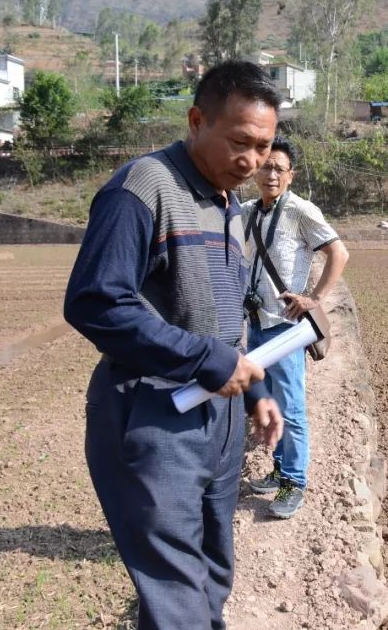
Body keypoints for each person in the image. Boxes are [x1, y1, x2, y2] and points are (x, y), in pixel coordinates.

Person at [63, 60, 284, 630]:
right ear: (195, 120)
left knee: (212, 575)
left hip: (220, 419)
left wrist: (253, 386)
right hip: (156, 417)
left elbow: (224, 315)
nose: (253, 160)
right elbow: (96, 300)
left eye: (263, 147)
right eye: (240, 142)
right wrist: (207, 361)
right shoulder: (142, 187)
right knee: (175, 594)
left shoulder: (228, 203)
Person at [242, 135, 349, 519]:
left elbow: (339, 252)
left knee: (291, 407)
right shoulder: (248, 212)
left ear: (291, 175)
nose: (271, 173)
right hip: (256, 326)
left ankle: (294, 482)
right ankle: (280, 470)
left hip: (285, 328)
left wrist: (315, 297)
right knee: (270, 405)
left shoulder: (301, 211)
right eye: (265, 165)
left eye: (279, 168)